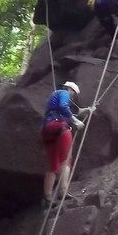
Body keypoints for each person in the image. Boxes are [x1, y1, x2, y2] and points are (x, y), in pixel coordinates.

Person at [40, 81, 93, 209]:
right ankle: (62, 191)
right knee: (66, 161)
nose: (72, 98)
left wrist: (83, 111)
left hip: (48, 129)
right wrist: (75, 121)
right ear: (70, 89)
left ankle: (47, 197)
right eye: (73, 94)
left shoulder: (54, 98)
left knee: (54, 165)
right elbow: (64, 106)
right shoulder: (63, 92)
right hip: (61, 128)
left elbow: (64, 111)